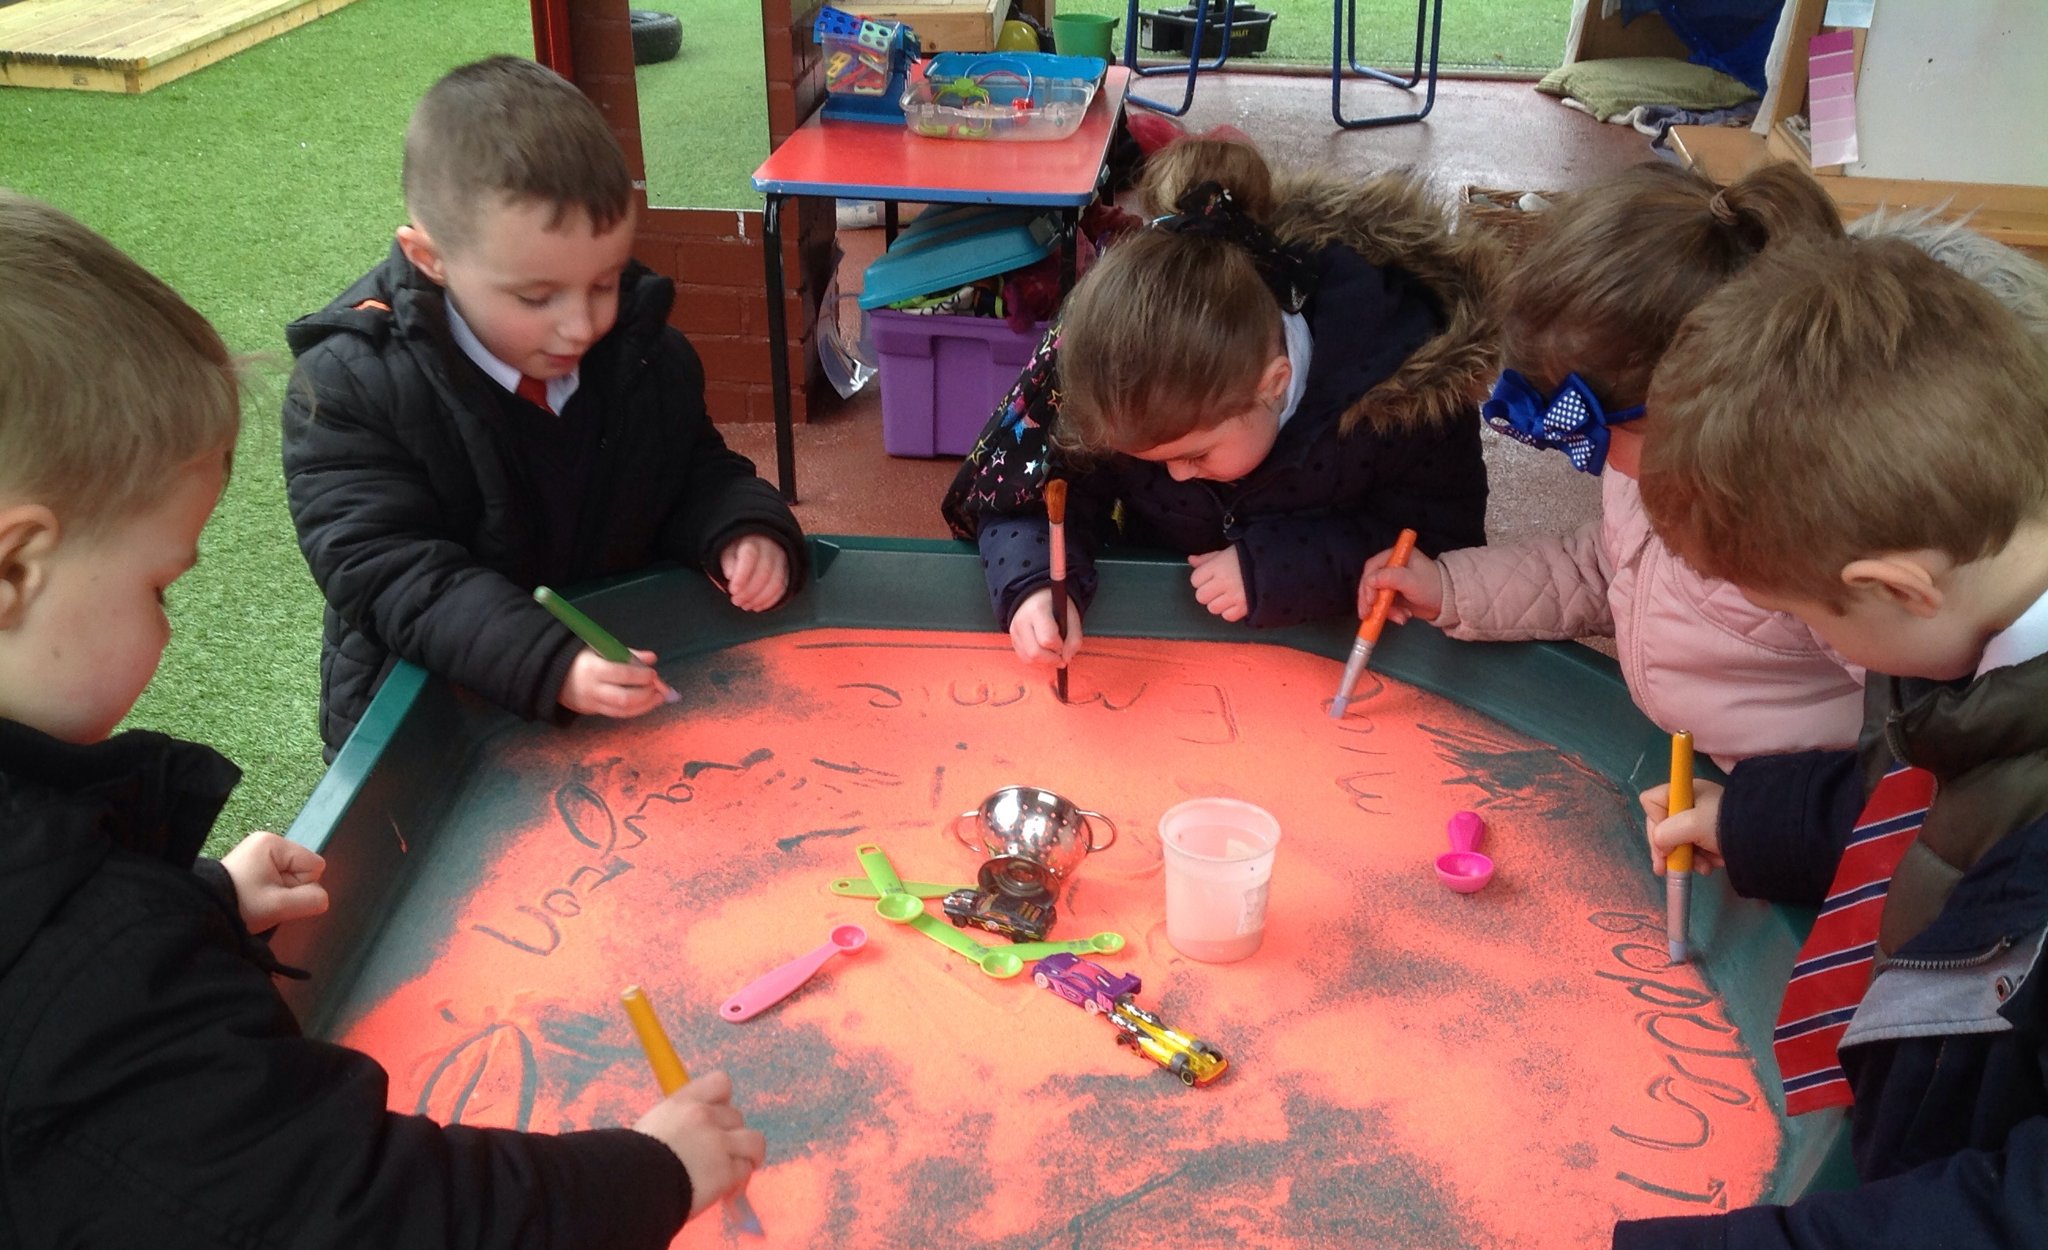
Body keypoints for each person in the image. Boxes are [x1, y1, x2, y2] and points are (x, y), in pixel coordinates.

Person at [0, 192, 765, 1250]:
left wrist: (188, 908)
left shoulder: (63, 941)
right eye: (160, 587)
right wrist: (647, 1176)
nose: (169, 631)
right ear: (14, 566)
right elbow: (355, 1240)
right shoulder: (73, 959)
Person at [1598, 237, 2048, 1250]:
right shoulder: (1984, 597)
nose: (1814, 644)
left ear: (1894, 584)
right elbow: (1953, 779)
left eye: (1806, 619)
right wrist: (1764, 816)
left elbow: (2024, 1246)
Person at [285, 56, 806, 759]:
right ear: (430, 258)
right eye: (536, 298)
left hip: (614, 712)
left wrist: (741, 527)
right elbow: (390, 571)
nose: (581, 325)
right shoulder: (352, 384)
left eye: (606, 281)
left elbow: (690, 471)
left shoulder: (645, 354)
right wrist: (548, 662)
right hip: (439, 731)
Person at [1358, 162, 1861, 768]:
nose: (1588, 457)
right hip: (1688, 763)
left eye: (1604, 433)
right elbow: (1604, 567)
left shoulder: (1824, 541)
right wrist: (1449, 586)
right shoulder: (1646, 474)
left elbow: (1920, 737)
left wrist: (1774, 817)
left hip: (1787, 805)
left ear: (1710, 410)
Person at [940, 136, 1495, 669]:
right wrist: (1033, 586)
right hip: (1174, 652)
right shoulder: (1124, 380)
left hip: (1328, 661)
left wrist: (1286, 568)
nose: (1178, 477)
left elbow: (1439, 547)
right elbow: (1028, 493)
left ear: (1273, 384)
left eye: (1197, 454)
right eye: (1149, 460)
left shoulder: (1401, 392)